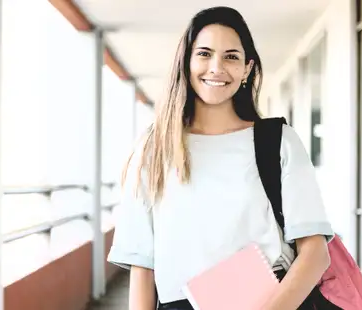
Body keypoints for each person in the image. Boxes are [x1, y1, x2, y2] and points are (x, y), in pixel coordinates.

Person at [108, 6, 334, 310]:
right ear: (186, 63)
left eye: (231, 56)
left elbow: (316, 253)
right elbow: (142, 267)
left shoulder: (278, 141)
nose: (217, 67)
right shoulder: (155, 148)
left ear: (247, 68)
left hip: (271, 300)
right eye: (204, 54)